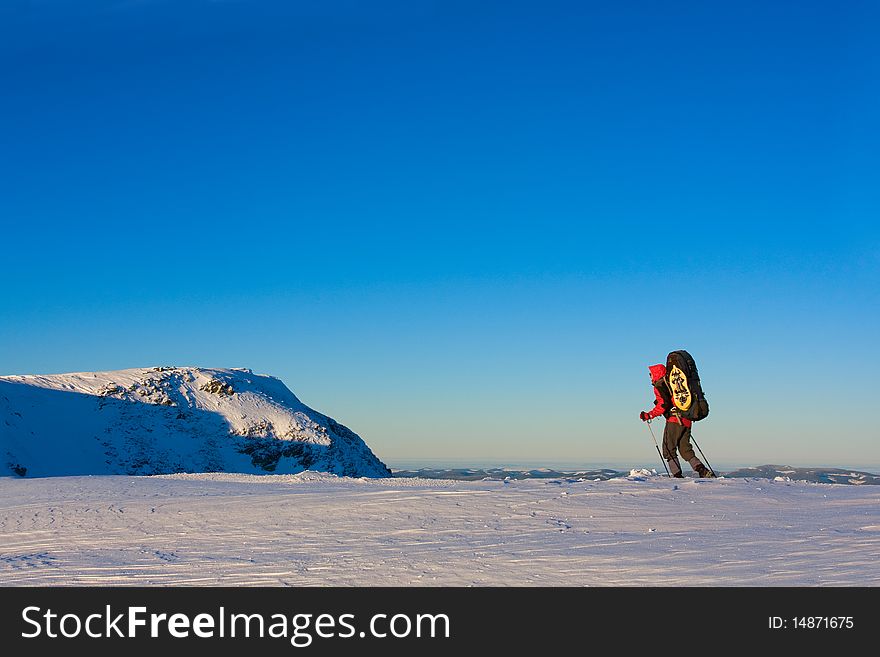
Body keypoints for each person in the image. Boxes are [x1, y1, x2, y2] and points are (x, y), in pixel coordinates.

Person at [640, 364, 714, 478]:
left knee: (668, 449)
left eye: (650, 374)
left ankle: (677, 476)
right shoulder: (673, 383)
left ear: (656, 373)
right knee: (685, 449)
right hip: (687, 418)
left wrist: (649, 415)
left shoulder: (660, 385)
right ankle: (703, 471)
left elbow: (663, 405)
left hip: (674, 420)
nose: (650, 376)